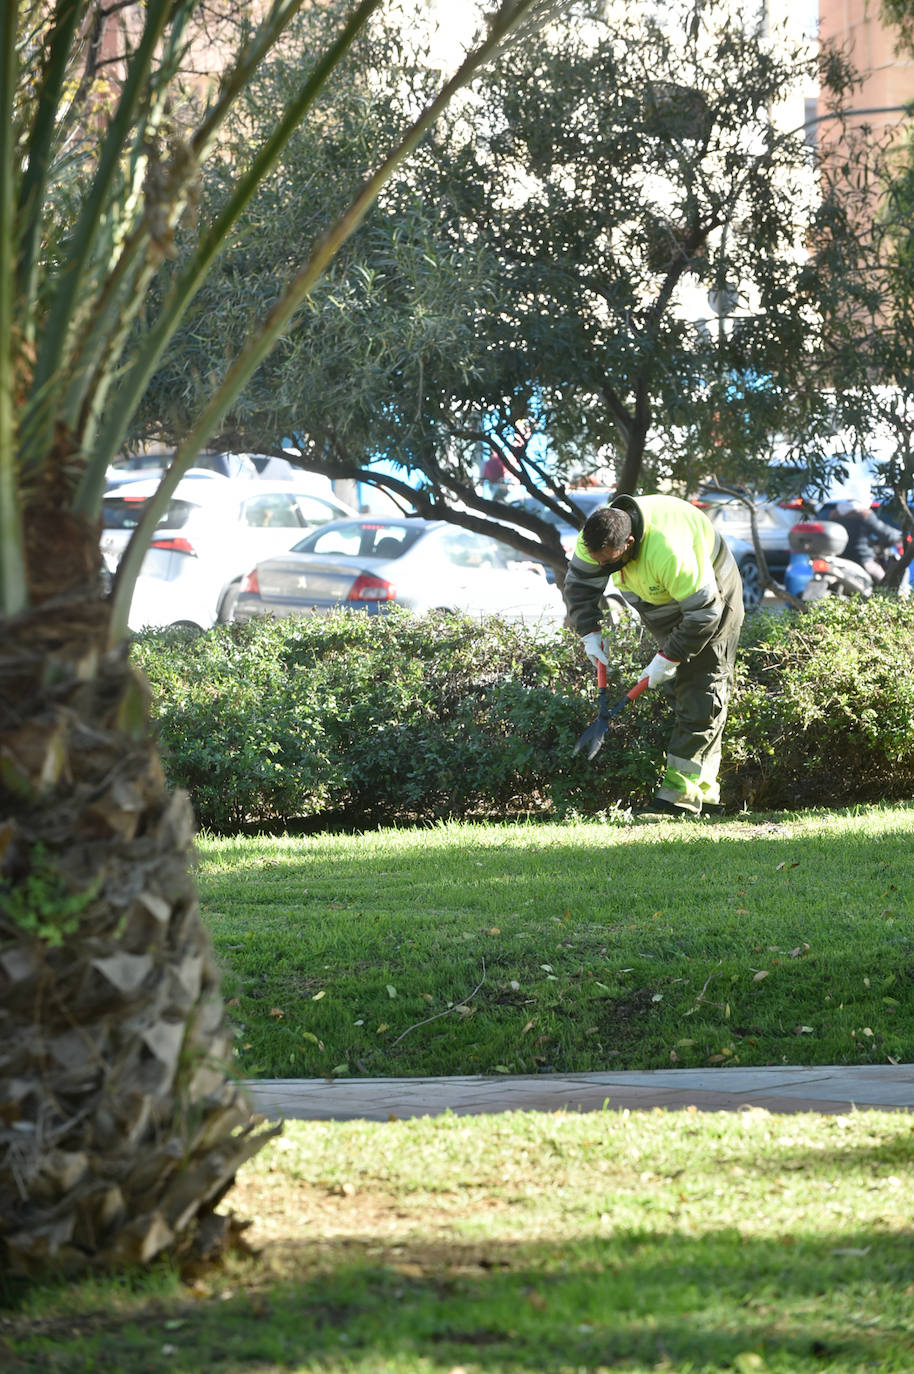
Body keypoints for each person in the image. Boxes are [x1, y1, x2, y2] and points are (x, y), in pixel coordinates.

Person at [563, 493, 744, 818]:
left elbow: (704, 614)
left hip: (712, 600)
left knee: (702, 690)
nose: (603, 568)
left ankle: (678, 799)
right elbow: (579, 586)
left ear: (630, 542)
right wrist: (589, 632)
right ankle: (706, 793)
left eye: (610, 562)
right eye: (598, 561)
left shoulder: (669, 551)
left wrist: (669, 657)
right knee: (683, 691)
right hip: (660, 599)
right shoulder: (595, 536)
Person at [826, 486, 901, 585]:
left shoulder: (834, 515)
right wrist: (901, 536)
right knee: (884, 582)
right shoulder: (864, 515)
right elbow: (885, 532)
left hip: (838, 558)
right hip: (861, 560)